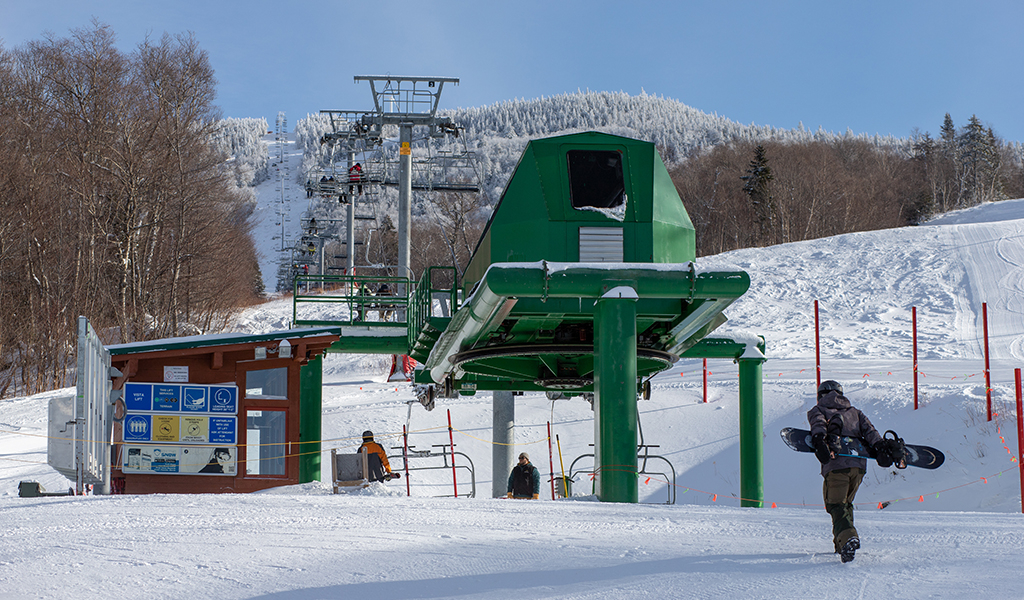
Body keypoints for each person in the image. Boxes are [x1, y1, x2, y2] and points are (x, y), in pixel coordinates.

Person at [808, 380, 903, 563]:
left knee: (835, 505)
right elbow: (872, 433)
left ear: (821, 395)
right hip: (858, 468)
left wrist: (819, 439)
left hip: (836, 466)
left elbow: (818, 425)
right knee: (845, 504)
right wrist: (881, 448)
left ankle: (849, 538)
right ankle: (842, 546)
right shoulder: (855, 413)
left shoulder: (818, 410)